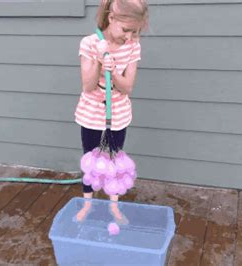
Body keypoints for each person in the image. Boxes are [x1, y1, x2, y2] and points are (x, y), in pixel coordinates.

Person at [74, 0, 149, 223]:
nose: (129, 36)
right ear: (111, 18)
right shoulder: (89, 43)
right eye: (126, 30)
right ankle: (88, 203)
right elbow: (87, 86)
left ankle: (113, 207)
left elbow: (127, 87)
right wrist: (99, 60)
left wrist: (113, 70)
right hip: (91, 115)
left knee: (115, 162)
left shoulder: (133, 46)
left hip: (118, 116)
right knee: (91, 162)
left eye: (134, 32)